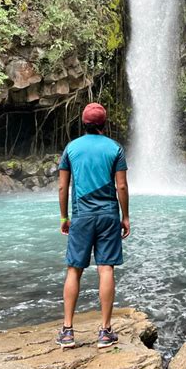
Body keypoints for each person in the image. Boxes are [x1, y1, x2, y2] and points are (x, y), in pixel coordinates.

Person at [56, 102, 130, 349]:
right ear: (103, 123)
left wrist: (64, 217)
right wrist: (125, 216)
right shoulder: (115, 148)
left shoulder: (71, 148)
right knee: (106, 267)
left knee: (74, 269)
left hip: (81, 216)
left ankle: (67, 332)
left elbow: (62, 187)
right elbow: (121, 186)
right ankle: (105, 332)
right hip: (108, 215)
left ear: (84, 123)